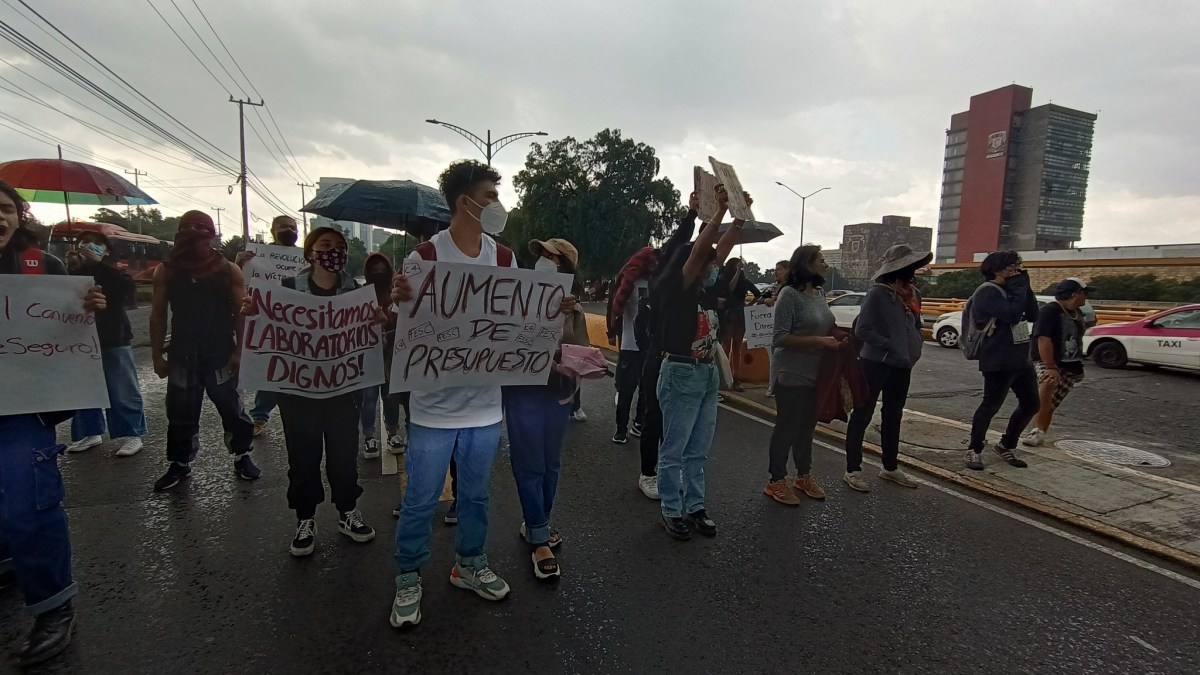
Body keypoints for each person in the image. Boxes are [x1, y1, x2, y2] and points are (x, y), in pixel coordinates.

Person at [389, 160, 573, 627]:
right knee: (421, 500)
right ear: (464, 202)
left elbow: (521, 322)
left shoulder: (505, 259)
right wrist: (398, 299)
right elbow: (406, 326)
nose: (497, 204)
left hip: (486, 408)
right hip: (433, 410)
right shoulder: (425, 257)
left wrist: (554, 308)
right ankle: (408, 577)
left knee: (475, 497)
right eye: (490, 196)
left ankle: (469, 564)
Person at [0, 180, 107, 666]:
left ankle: (53, 605)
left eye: (5, 208)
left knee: (29, 505)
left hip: (23, 410)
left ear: (18, 216)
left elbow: (71, 330)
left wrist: (90, 308)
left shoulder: (41, 266)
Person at [243, 226, 376, 556]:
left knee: (344, 459)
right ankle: (305, 518)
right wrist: (252, 313)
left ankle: (347, 512)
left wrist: (378, 321)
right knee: (303, 460)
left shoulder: (356, 293)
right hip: (299, 394)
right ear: (310, 253)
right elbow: (267, 326)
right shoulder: (287, 289)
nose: (334, 251)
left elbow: (368, 333)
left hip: (343, 393)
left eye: (340, 246)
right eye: (326, 244)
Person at [652, 184, 744, 539]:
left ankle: (695, 505)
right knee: (675, 448)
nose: (714, 266)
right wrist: (718, 212)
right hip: (680, 372)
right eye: (709, 263)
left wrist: (738, 217)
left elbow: (721, 248)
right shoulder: (676, 287)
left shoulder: (705, 290)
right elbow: (701, 251)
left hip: (706, 374)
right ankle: (671, 509)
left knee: (699, 448)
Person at [149, 211, 260, 491]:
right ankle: (179, 463)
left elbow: (242, 314)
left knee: (232, 409)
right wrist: (156, 355)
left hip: (220, 353)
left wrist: (239, 352)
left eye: (200, 227)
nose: (193, 231)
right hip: (182, 355)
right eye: (186, 226)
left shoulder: (228, 270)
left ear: (211, 234)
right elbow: (158, 314)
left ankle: (242, 455)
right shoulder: (166, 270)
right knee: (180, 412)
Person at [505, 237, 588, 579]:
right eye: (541, 253)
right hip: (522, 390)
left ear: (565, 267)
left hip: (557, 392)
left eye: (551, 256)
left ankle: (537, 521)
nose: (543, 259)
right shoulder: (516, 293)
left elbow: (581, 353)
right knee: (530, 464)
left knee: (550, 464)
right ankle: (540, 539)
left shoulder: (574, 307)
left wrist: (571, 317)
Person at [840, 245, 931, 493]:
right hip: (875, 363)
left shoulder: (913, 294)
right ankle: (853, 469)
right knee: (862, 414)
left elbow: (916, 324)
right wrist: (889, 344)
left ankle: (890, 467)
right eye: (910, 265)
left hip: (902, 364)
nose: (914, 270)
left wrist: (914, 345)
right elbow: (862, 330)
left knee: (894, 415)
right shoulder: (877, 294)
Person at [633, 191, 702, 500]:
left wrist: (716, 217)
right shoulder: (664, 284)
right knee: (655, 417)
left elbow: (705, 248)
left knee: (676, 422)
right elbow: (680, 244)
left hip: (684, 363)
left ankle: (668, 468)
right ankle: (647, 473)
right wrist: (693, 216)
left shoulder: (695, 289)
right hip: (659, 359)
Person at [763, 245, 840, 505]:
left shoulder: (819, 294)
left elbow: (826, 325)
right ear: (807, 264)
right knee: (787, 427)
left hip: (816, 373)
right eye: (821, 259)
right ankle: (776, 481)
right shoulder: (789, 295)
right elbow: (780, 338)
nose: (825, 264)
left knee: (806, 428)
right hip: (791, 373)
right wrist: (819, 341)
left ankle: (803, 475)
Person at [64, 230, 147, 458]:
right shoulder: (70, 271)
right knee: (84, 387)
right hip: (79, 338)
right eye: (84, 242)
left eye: (96, 243)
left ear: (106, 251)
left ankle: (132, 434)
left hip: (113, 337)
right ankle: (90, 432)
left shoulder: (114, 272)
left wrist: (97, 264)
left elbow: (125, 290)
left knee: (121, 388)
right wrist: (73, 268)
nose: (89, 246)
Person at [964, 251, 1040, 471]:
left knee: (1031, 403)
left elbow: (1033, 314)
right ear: (998, 270)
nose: (1017, 271)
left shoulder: (1014, 288)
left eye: (1019, 267)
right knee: (991, 404)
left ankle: (1007, 444)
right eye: (1012, 267)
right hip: (998, 357)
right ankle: (974, 448)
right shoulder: (988, 291)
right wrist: (1018, 286)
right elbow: (1012, 315)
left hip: (1021, 357)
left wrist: (1025, 286)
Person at [237, 215, 300, 437]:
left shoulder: (304, 258)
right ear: (273, 230)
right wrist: (239, 264)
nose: (289, 230)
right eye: (283, 226)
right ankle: (259, 417)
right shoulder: (257, 256)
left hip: (299, 322)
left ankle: (300, 415)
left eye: (293, 227)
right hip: (268, 322)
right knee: (271, 370)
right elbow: (240, 284)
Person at [1021, 278, 1093, 448]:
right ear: (1075, 294)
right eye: (1085, 293)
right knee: (1047, 387)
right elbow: (1043, 338)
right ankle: (1036, 432)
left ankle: (1040, 432)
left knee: (1051, 403)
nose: (1086, 297)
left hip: (1071, 365)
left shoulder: (1077, 313)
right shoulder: (1050, 311)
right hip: (1048, 361)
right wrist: (1050, 366)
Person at [358, 253, 405, 460]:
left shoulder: (396, 294)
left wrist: (388, 322)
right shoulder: (360, 294)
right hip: (367, 356)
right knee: (368, 399)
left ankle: (393, 432)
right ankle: (369, 436)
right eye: (374, 270)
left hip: (391, 356)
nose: (379, 273)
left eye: (383, 270)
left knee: (390, 397)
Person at [715, 257, 762, 391]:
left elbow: (757, 294)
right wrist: (737, 273)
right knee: (726, 347)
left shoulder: (744, 281)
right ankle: (726, 376)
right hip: (728, 315)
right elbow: (729, 289)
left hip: (738, 314)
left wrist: (748, 306)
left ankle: (736, 377)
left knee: (737, 348)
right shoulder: (723, 279)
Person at [761, 260, 788, 397]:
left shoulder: (792, 288)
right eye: (775, 269)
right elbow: (760, 299)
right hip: (772, 328)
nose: (776, 272)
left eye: (779, 269)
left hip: (786, 329)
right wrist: (765, 300)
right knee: (775, 357)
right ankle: (773, 385)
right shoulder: (772, 287)